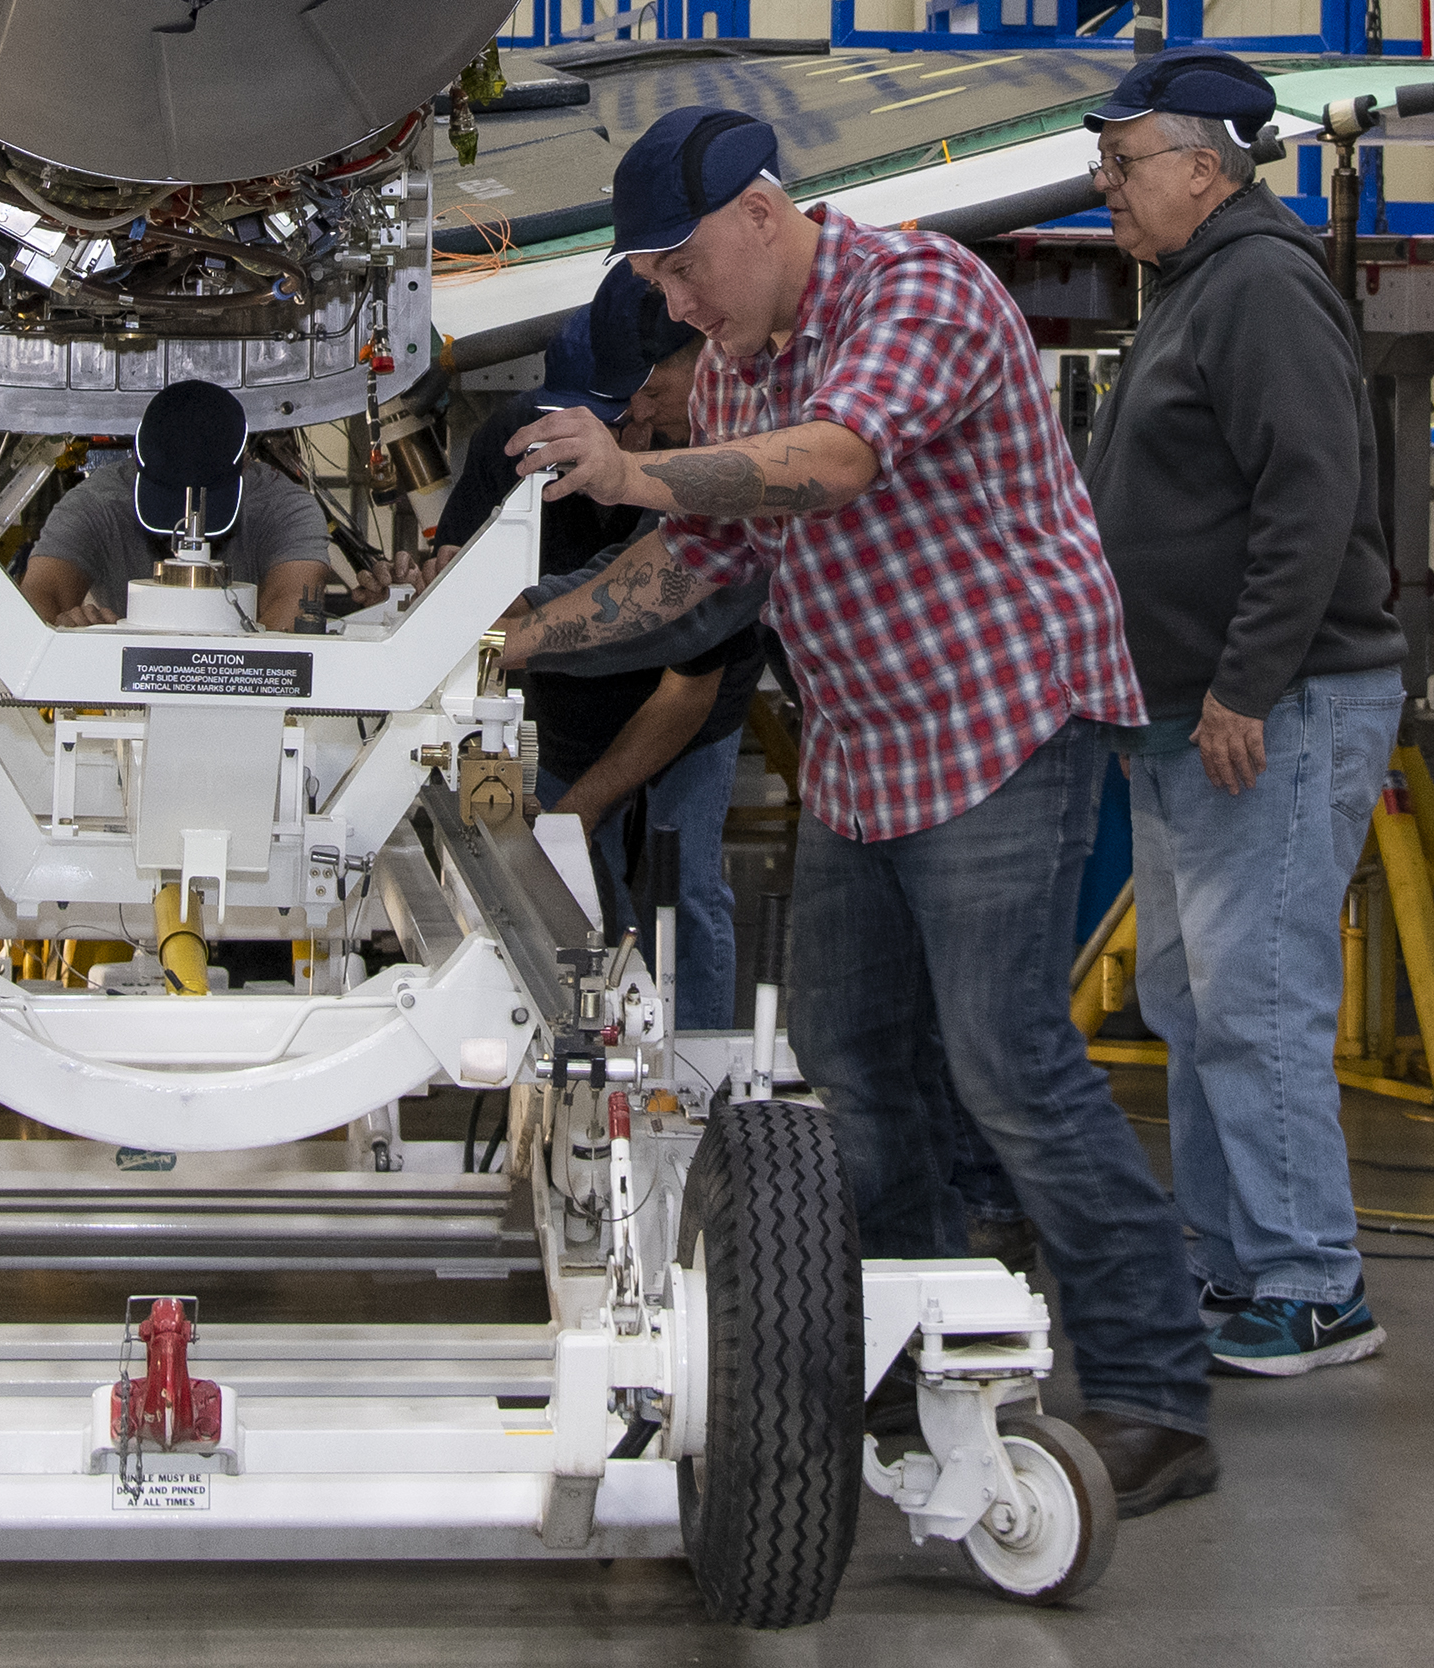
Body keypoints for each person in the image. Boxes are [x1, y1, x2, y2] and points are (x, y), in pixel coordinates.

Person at [494, 107, 1216, 1516]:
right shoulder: (728, 383)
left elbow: (834, 461)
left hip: (1005, 719)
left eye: (687, 269)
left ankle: (1152, 1390)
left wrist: (631, 468)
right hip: (869, 748)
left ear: (761, 212)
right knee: (852, 1068)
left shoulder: (918, 292)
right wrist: (502, 637)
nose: (682, 303)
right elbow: (690, 567)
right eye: (658, 286)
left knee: (1007, 1061)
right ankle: (901, 1355)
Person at [1080, 48, 1423, 1383]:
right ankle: (1234, 1254)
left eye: (1122, 166)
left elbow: (1310, 496)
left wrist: (1243, 681)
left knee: (1257, 994)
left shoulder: (1262, 284)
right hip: (1190, 707)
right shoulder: (1196, 282)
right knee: (1192, 993)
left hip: (1267, 704)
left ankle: (1308, 1282)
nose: (1106, 187)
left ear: (1202, 169)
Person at [435, 268, 765, 1030]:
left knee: (683, 883)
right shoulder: (517, 443)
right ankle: (588, 1043)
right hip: (564, 698)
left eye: (647, 397)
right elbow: (462, 585)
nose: (637, 419)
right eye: (613, 406)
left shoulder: (721, 452)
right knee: (566, 883)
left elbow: (685, 678)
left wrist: (578, 811)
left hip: (686, 700)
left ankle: (699, 1068)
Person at [25, 412, 334, 632]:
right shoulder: (97, 504)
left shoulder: (285, 508)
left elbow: (292, 610)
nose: (189, 514)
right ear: (140, 461)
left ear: (244, 461)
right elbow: (36, 602)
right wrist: (69, 634)